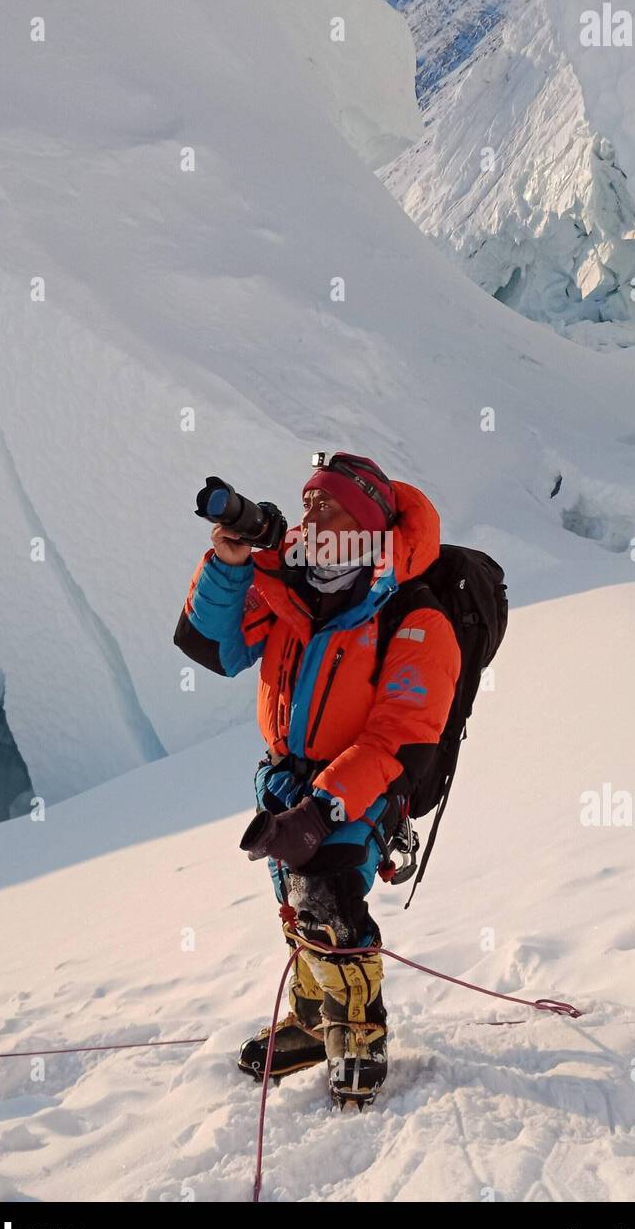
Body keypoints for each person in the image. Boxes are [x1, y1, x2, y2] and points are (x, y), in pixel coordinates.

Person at [174, 453, 460, 1107]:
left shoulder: (414, 616)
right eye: (305, 503)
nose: (307, 515)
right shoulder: (292, 591)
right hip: (283, 779)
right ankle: (310, 1023)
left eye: (324, 506)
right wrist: (230, 564)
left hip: (360, 785)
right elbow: (210, 648)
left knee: (329, 905)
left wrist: (321, 810)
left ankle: (357, 1041)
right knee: (297, 906)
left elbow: (401, 737)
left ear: (362, 522)